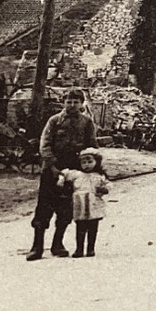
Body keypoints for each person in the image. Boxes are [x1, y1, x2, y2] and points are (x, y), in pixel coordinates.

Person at [27, 91, 96, 261]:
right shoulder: (54, 120)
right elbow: (45, 144)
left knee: (66, 209)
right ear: (63, 102)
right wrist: (52, 165)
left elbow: (92, 146)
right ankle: (37, 247)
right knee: (44, 207)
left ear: (82, 104)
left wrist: (90, 168)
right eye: (69, 101)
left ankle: (58, 244)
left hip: (73, 170)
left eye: (76, 102)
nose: (72, 105)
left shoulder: (87, 122)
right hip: (51, 169)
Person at [57, 149, 111, 258]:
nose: (87, 165)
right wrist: (61, 179)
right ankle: (79, 249)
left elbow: (108, 184)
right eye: (84, 162)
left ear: (96, 162)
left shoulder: (99, 175)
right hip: (80, 203)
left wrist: (105, 189)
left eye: (90, 162)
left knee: (93, 227)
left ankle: (91, 249)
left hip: (94, 204)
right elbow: (64, 172)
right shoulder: (76, 174)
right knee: (80, 227)